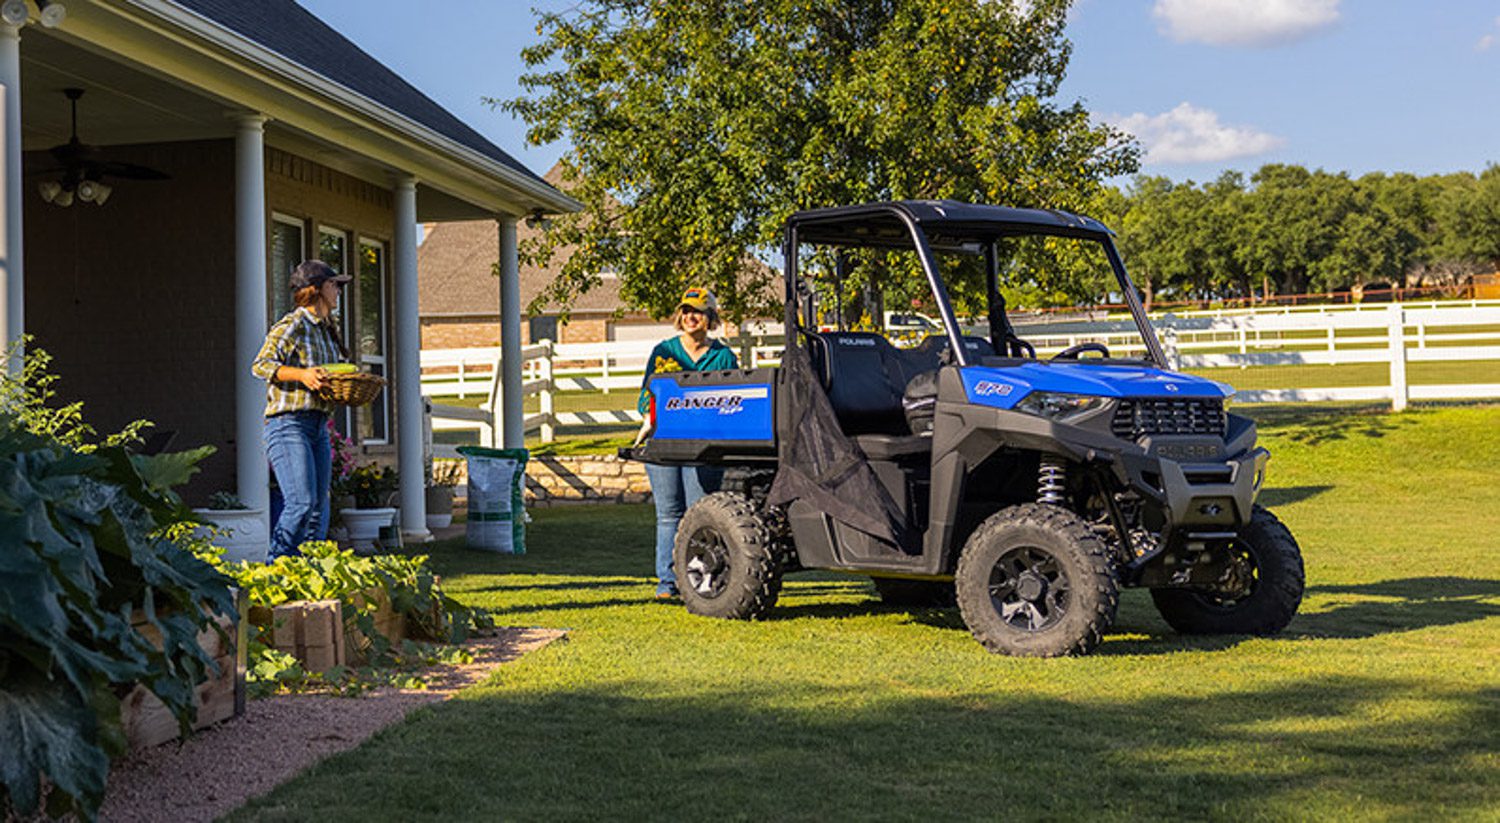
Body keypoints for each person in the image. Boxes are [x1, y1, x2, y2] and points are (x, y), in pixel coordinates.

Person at [638, 287, 739, 598]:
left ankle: (697, 581)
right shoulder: (663, 352)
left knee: (699, 514)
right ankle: (667, 583)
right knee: (669, 514)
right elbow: (645, 396)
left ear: (710, 318)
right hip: (664, 442)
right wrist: (649, 416)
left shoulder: (723, 355)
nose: (690, 317)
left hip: (705, 446)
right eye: (686, 311)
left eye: (698, 311)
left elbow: (733, 397)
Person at [251, 259, 352, 559]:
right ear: (317, 289)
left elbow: (326, 377)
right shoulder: (293, 324)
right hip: (288, 425)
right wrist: (303, 375)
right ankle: (275, 569)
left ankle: (307, 573)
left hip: (318, 425)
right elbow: (260, 365)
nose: (339, 292)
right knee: (301, 502)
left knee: (320, 506)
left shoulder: (325, 330)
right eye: (335, 285)